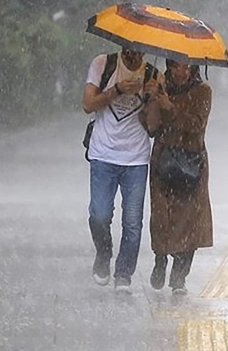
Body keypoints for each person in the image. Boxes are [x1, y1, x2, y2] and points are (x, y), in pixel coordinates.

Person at [82, 48, 161, 292]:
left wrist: (152, 98)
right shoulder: (103, 63)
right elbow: (87, 104)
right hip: (103, 154)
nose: (134, 55)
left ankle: (124, 273)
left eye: (140, 51)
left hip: (136, 158)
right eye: (130, 49)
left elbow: (154, 127)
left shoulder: (153, 74)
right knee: (99, 214)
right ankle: (104, 253)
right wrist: (116, 90)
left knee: (133, 221)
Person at [141, 59, 213, 295]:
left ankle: (179, 276)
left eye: (186, 67)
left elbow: (195, 124)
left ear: (193, 69)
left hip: (191, 161)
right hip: (163, 159)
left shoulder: (203, 91)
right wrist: (151, 100)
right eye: (175, 66)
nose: (180, 71)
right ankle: (160, 258)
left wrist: (169, 105)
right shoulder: (160, 85)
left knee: (190, 220)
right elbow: (150, 128)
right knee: (162, 214)